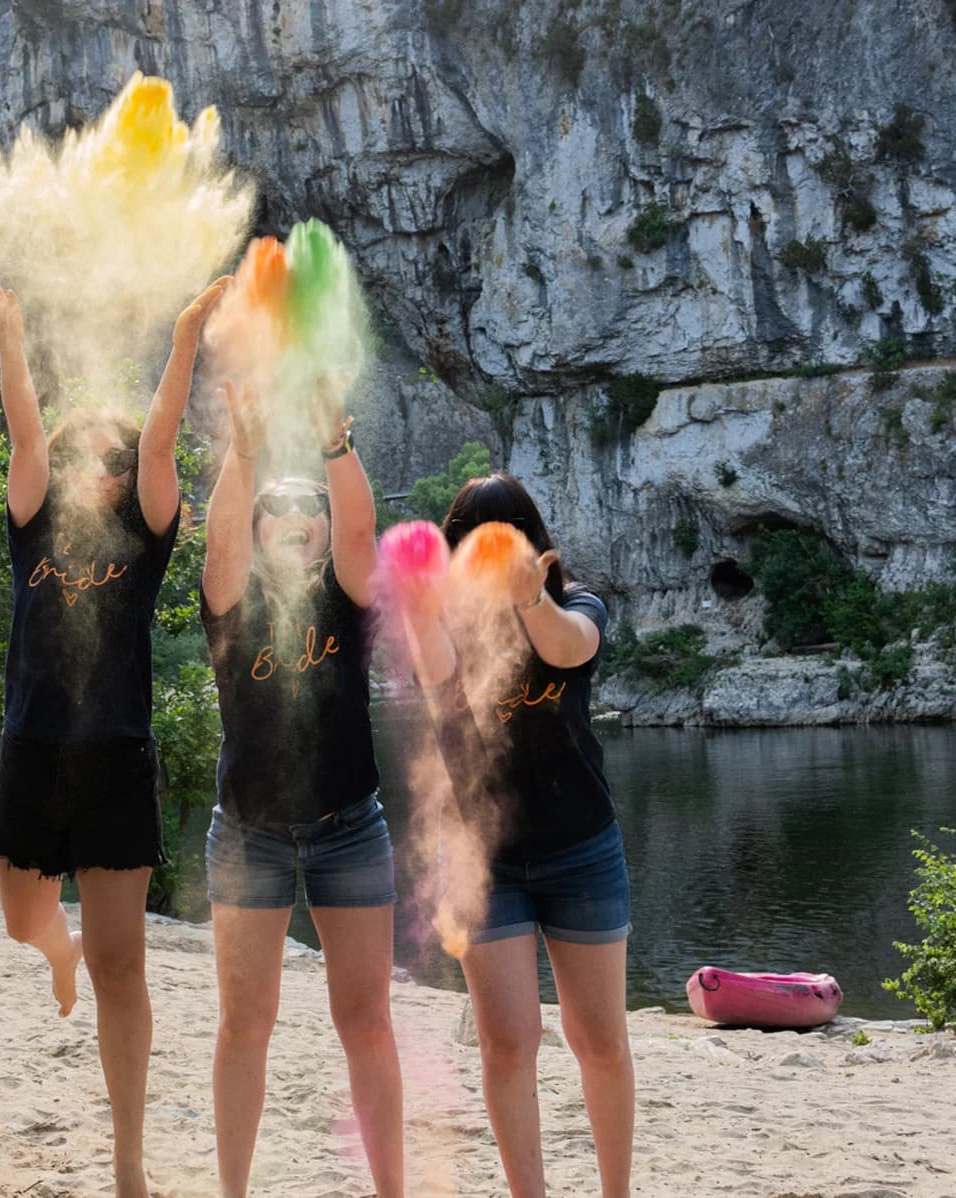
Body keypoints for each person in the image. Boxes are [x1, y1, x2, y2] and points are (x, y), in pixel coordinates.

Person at [0, 267, 227, 1198]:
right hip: (31, 753)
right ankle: (57, 952)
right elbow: (23, 426)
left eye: (119, 460)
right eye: (90, 455)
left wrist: (185, 338)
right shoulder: (32, 528)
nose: (106, 468)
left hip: (116, 758)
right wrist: (11, 332)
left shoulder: (146, 540)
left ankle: (128, 1161)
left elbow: (161, 439)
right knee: (20, 921)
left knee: (124, 967)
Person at [400, 471, 633, 1198]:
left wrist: (529, 597)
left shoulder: (576, 605)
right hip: (483, 862)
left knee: (599, 1042)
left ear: (534, 545)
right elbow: (440, 685)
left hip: (582, 850)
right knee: (507, 1044)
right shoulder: (440, 622)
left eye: (504, 539)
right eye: (470, 541)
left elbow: (569, 651)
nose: (485, 555)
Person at [199, 380, 404, 1197]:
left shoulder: (349, 600)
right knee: (245, 1024)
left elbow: (358, 529)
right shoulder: (231, 600)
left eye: (308, 505)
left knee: (367, 1023)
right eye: (275, 505)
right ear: (255, 529)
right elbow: (218, 544)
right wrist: (245, 449)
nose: (295, 514)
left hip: (349, 829)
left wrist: (334, 444)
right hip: (248, 836)